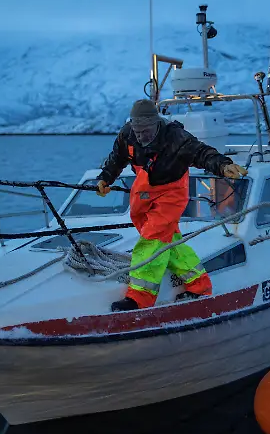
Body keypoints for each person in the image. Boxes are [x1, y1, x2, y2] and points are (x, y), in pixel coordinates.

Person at [97, 99, 247, 312]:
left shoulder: (176, 137)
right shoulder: (127, 135)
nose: (141, 136)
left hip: (172, 190)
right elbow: (116, 159)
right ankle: (199, 285)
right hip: (144, 186)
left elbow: (202, 153)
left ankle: (140, 298)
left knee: (152, 238)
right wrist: (105, 178)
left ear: (157, 124)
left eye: (146, 130)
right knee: (167, 240)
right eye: (137, 131)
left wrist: (223, 166)